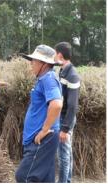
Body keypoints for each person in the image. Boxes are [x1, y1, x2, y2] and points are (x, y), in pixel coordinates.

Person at [15, 44, 63, 183]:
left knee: (24, 177)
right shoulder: (43, 78)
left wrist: (44, 130)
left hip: (42, 139)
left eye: (34, 60)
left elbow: (57, 104)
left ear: (44, 63)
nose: (31, 63)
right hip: (41, 138)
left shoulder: (48, 78)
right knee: (45, 179)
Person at [55, 42, 80, 183]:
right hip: (62, 117)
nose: (54, 56)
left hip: (66, 119)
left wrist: (65, 128)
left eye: (54, 53)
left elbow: (72, 106)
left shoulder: (72, 75)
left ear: (59, 55)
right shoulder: (62, 71)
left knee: (63, 156)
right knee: (66, 153)